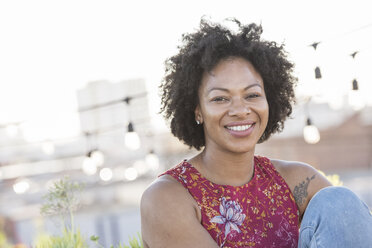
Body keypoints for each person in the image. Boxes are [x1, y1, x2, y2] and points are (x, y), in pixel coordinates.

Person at [140, 19, 372, 248]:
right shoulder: (167, 197)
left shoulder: (295, 180)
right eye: (220, 98)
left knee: (338, 201)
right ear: (197, 110)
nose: (241, 110)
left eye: (252, 95)